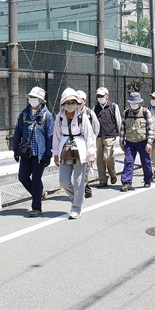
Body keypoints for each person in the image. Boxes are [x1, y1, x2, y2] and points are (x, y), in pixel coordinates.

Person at [53, 88, 96, 219]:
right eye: (68, 102)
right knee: (64, 180)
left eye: (73, 102)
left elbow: (89, 135)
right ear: (63, 103)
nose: (70, 105)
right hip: (65, 150)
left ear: (77, 103)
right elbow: (56, 137)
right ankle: (78, 198)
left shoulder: (83, 117)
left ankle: (76, 208)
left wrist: (91, 154)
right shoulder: (59, 118)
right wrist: (55, 154)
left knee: (78, 182)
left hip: (80, 150)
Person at [12, 86, 54, 218]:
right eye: (30, 97)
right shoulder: (24, 114)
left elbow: (50, 136)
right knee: (22, 177)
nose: (32, 99)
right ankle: (39, 194)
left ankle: (36, 207)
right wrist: (15, 149)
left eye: (34, 97)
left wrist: (48, 155)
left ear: (41, 100)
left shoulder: (47, 116)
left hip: (40, 154)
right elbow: (18, 132)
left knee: (36, 179)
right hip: (26, 153)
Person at [119, 92, 155, 191]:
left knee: (146, 162)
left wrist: (149, 143)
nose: (133, 105)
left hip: (143, 141)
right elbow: (122, 128)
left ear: (139, 103)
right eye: (132, 103)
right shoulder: (126, 113)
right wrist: (121, 142)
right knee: (128, 161)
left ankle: (148, 179)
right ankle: (126, 182)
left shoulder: (145, 112)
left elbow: (151, 129)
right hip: (130, 142)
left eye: (135, 103)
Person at [93, 87, 123, 188]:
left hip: (110, 136)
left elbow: (118, 121)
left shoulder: (113, 106)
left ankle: (112, 174)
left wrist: (121, 137)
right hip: (98, 137)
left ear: (107, 96)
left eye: (102, 95)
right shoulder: (95, 108)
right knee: (99, 160)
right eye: (98, 96)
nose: (100, 98)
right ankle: (103, 180)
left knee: (107, 157)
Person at [76, 90, 99, 198]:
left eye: (79, 101)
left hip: (86, 146)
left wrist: (91, 142)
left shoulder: (89, 113)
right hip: (74, 146)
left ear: (84, 101)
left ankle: (82, 190)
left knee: (85, 169)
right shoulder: (70, 113)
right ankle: (85, 188)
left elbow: (96, 128)